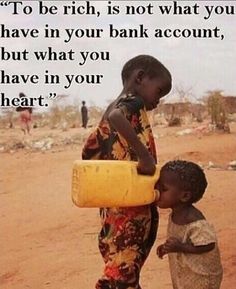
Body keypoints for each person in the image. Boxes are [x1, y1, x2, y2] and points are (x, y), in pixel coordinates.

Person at [82, 55, 172, 289]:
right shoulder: (131, 103)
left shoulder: (113, 108)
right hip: (128, 207)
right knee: (121, 272)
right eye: (159, 91)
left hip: (116, 203)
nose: (158, 101)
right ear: (140, 77)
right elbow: (116, 117)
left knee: (123, 264)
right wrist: (144, 156)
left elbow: (90, 151)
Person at [156, 160, 223, 289]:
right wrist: (167, 247)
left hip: (201, 277)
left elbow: (208, 244)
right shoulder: (175, 213)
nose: (157, 191)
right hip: (186, 273)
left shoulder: (194, 220)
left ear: (185, 196)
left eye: (163, 189)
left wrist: (180, 247)